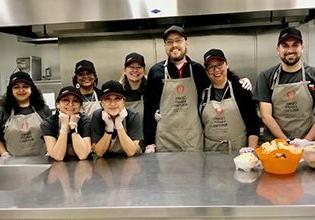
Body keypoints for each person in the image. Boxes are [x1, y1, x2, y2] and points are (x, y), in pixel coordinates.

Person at [143, 25, 252, 152]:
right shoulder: (156, 71)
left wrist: (239, 81)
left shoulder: (197, 70)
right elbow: (149, 107)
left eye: (178, 40)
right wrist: (149, 142)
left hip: (192, 138)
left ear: (186, 43)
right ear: (165, 46)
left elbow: (216, 84)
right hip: (166, 138)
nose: (174, 45)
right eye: (169, 42)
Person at [253, 27, 315, 143]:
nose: (290, 50)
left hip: (309, 145)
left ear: (302, 47)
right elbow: (266, 116)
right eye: (285, 46)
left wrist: (305, 142)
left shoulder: (313, 75)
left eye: (295, 45)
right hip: (276, 145)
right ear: (278, 49)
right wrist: (285, 142)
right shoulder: (266, 77)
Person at [200, 49, 260, 153]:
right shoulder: (202, 94)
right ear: (206, 71)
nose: (216, 70)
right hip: (210, 154)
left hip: (239, 152)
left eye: (219, 64)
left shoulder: (242, 91)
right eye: (211, 67)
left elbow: (253, 125)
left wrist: (250, 152)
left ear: (226, 65)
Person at [0, 71, 51, 157]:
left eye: (25, 86)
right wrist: (4, 154)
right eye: (16, 87)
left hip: (42, 161)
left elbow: (53, 134)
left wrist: (49, 152)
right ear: (11, 91)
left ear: (32, 89)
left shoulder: (43, 109)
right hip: (12, 163)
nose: (21, 90)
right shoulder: (4, 111)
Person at [91, 80, 142, 157]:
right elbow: (99, 153)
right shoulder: (97, 116)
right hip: (105, 163)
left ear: (124, 102)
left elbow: (131, 152)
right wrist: (109, 128)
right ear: (101, 103)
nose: (113, 103)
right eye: (107, 99)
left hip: (129, 162)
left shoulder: (133, 116)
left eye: (117, 98)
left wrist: (119, 124)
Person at [41, 86, 91, 161]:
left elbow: (83, 155)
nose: (70, 104)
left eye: (75, 101)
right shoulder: (48, 123)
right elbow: (58, 156)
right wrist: (64, 126)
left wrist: (73, 126)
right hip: (57, 168)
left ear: (80, 106)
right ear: (58, 104)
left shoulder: (85, 121)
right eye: (65, 100)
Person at [119, 52, 146, 133]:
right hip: (125, 139)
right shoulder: (118, 92)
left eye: (139, 67)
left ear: (144, 71)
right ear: (124, 71)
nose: (135, 70)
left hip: (149, 139)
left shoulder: (152, 90)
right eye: (131, 67)